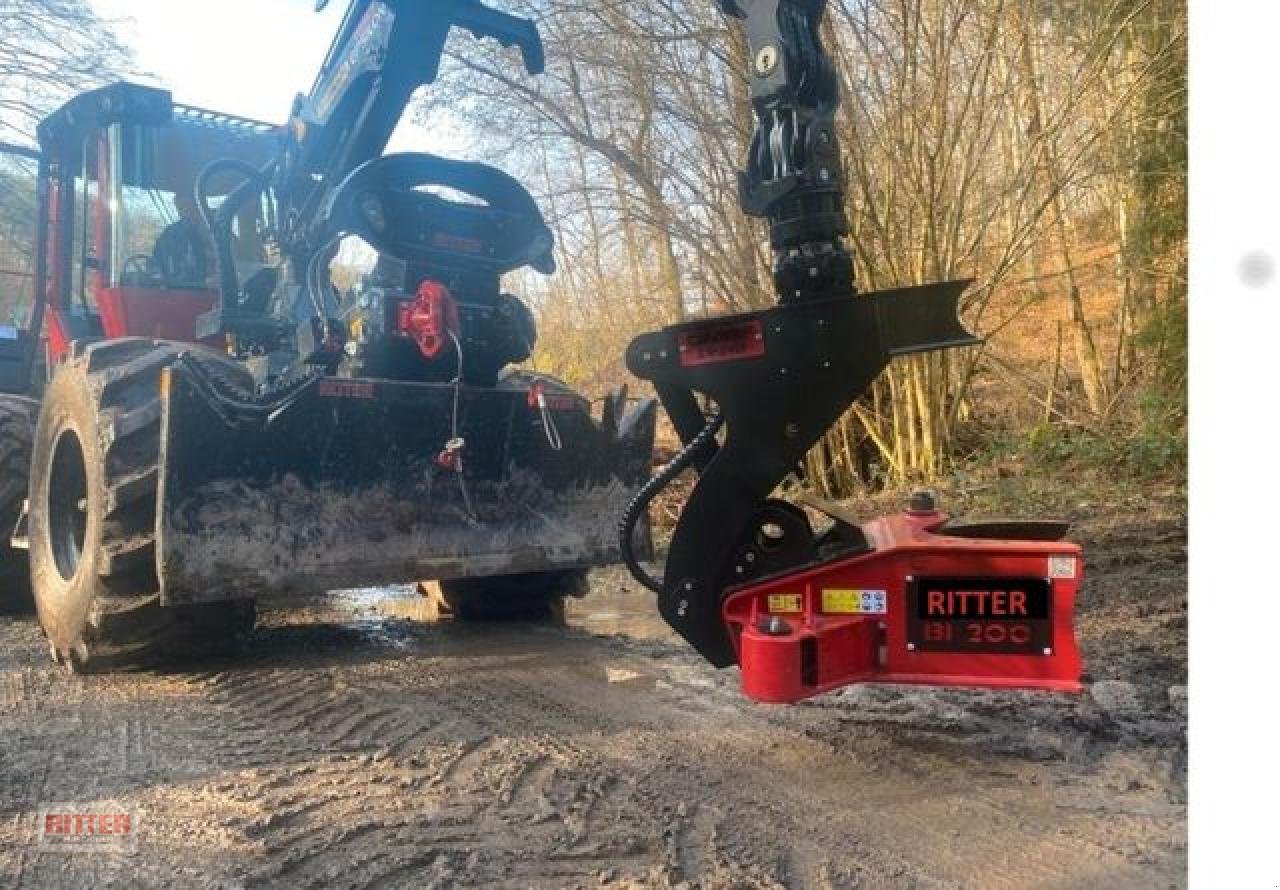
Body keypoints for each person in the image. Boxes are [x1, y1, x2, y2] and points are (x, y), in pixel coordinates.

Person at [150, 193, 212, 288]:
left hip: (214, 292)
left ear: (199, 205)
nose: (185, 211)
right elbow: (155, 263)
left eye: (188, 205)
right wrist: (157, 276)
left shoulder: (216, 228)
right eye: (180, 208)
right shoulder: (169, 234)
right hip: (178, 292)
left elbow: (237, 258)